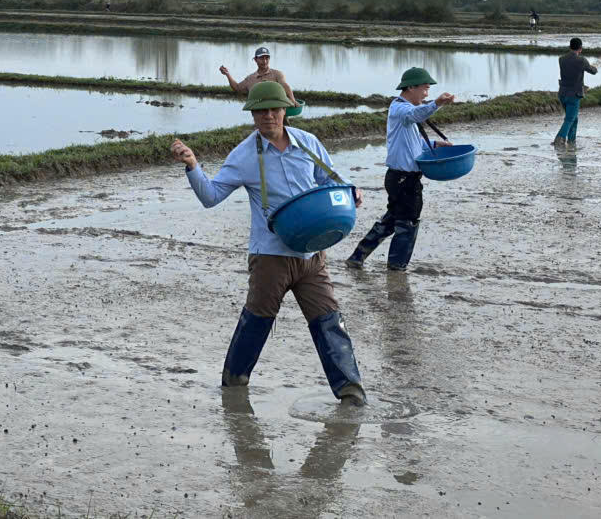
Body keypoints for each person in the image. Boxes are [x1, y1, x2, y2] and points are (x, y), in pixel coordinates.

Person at [169, 81, 366, 405]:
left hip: (312, 255)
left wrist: (351, 192)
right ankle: (233, 384)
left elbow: (332, 181)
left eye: (274, 109)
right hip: (270, 257)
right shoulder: (245, 155)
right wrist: (192, 164)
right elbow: (211, 196)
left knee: (329, 319)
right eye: (260, 111)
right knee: (257, 322)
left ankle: (351, 394)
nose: (268, 117)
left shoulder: (308, 143)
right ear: (253, 115)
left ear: (285, 110)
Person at [346, 67, 455, 272]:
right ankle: (397, 268)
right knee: (408, 222)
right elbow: (417, 113)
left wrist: (435, 144)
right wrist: (438, 103)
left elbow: (414, 145)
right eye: (424, 89)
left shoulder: (407, 114)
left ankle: (357, 257)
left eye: (429, 90)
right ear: (411, 87)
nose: (426, 94)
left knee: (393, 219)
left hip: (402, 178)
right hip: (403, 179)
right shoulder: (400, 109)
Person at [554, 37, 598, 149]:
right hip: (574, 95)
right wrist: (595, 68)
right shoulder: (582, 60)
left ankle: (572, 141)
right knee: (569, 119)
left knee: (573, 118)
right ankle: (560, 138)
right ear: (580, 48)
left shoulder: (561, 59)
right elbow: (592, 71)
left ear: (569, 47)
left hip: (562, 93)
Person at [220, 46, 298, 106]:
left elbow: (285, 86)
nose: (264, 61)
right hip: (259, 115)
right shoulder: (250, 78)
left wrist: (293, 100)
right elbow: (237, 88)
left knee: (284, 127)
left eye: (267, 58)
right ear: (255, 60)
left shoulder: (277, 74)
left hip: (278, 113)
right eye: (261, 58)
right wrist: (227, 74)